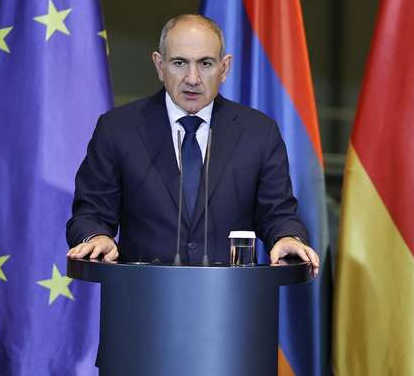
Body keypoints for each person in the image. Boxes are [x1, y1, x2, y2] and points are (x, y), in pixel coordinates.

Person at [66, 14, 319, 275]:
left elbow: (277, 214)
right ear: (159, 65)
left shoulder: (259, 132)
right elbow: (91, 213)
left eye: (205, 63)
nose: (193, 78)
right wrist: (96, 236)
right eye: (179, 63)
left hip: (230, 295)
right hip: (143, 293)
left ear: (224, 68)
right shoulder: (118, 129)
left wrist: (287, 238)